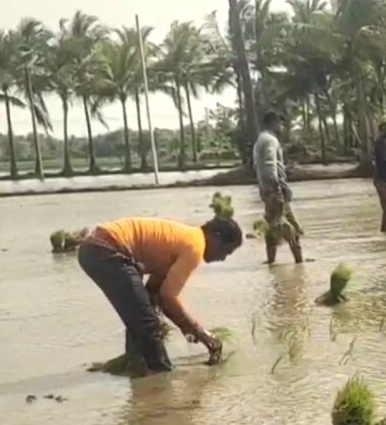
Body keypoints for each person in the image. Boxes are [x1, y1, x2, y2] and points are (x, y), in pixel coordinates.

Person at [77, 216, 243, 373]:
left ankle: (136, 366)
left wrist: (186, 328)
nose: (223, 258)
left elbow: (155, 295)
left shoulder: (184, 239)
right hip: (106, 248)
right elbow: (169, 297)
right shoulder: (195, 246)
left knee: (142, 316)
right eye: (226, 251)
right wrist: (199, 331)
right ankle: (161, 377)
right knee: (148, 323)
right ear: (216, 236)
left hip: (95, 247)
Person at [253, 111, 303, 264]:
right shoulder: (270, 140)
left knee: (271, 224)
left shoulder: (260, 140)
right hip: (274, 188)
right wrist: (279, 187)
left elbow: (259, 166)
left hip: (266, 188)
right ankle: (299, 262)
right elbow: (269, 164)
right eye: (280, 123)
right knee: (288, 224)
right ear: (273, 122)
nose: (281, 127)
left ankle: (271, 261)